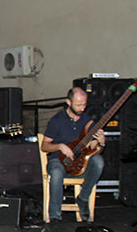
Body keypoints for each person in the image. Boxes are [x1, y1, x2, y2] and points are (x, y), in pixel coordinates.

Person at [41, 87, 105, 222]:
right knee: (57, 173)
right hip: (59, 161)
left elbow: (93, 147)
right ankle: (54, 216)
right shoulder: (57, 120)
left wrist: (100, 143)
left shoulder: (88, 121)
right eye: (78, 104)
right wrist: (60, 146)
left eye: (84, 104)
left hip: (80, 163)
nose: (82, 108)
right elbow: (44, 146)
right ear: (68, 102)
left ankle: (83, 198)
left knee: (98, 161)